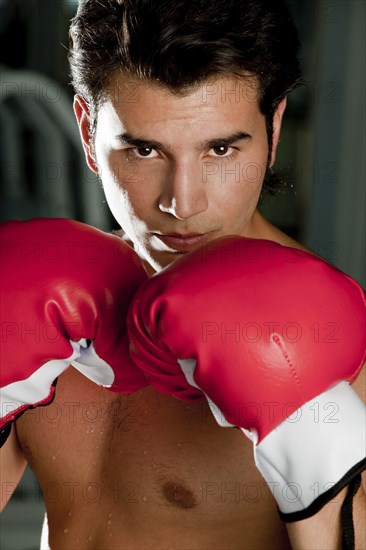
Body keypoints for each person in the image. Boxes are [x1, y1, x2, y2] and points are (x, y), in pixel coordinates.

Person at [1, 1, 365, 549]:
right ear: (87, 130)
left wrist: (320, 446)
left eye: (221, 149)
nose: (183, 203)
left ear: (274, 127)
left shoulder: (339, 348)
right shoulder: (44, 305)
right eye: (144, 149)